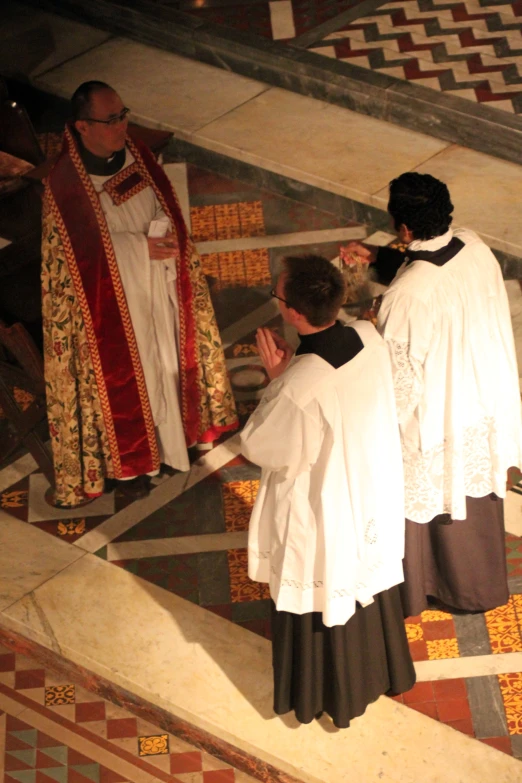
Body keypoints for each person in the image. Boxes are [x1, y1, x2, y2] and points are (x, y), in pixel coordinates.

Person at [42, 81, 237, 507]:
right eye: (110, 120)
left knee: (167, 360)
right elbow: (77, 260)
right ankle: (133, 464)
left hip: (157, 286)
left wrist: (166, 235)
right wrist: (136, 248)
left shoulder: (137, 155)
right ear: (82, 127)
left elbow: (162, 203)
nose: (121, 126)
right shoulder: (66, 184)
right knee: (134, 378)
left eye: (123, 114)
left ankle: (176, 441)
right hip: (112, 309)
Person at [240, 255, 415, 729]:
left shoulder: (299, 385)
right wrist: (290, 376)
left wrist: (277, 384)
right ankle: (384, 671)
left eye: (278, 296)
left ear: (294, 313)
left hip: (326, 508)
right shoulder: (367, 336)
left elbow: (263, 445)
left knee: (325, 588)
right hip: (370, 487)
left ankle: (322, 693)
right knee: (364, 582)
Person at [346, 172, 522, 616]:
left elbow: (401, 385)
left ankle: (424, 586)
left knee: (429, 494)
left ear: (403, 228)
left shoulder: (407, 296)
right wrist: (376, 259)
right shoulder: (473, 244)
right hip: (478, 396)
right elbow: (436, 273)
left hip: (438, 412)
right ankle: (476, 586)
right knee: (472, 496)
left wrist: (370, 328)